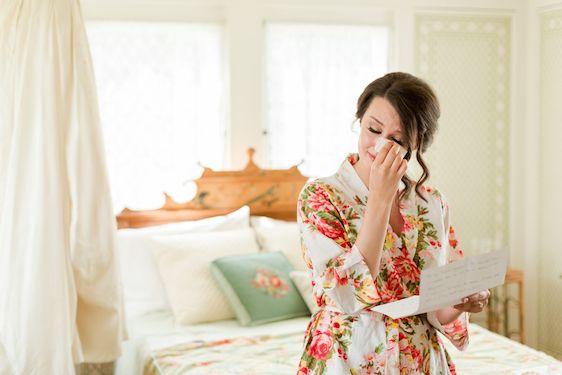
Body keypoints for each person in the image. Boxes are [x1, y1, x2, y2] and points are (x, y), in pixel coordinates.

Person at [296, 72, 490, 374]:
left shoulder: (431, 203)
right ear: (360, 121)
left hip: (419, 359)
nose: (381, 146)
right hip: (349, 358)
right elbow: (348, 295)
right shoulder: (320, 196)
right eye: (373, 129)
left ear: (416, 142)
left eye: (397, 139)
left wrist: (461, 303)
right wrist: (380, 200)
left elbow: (435, 304)